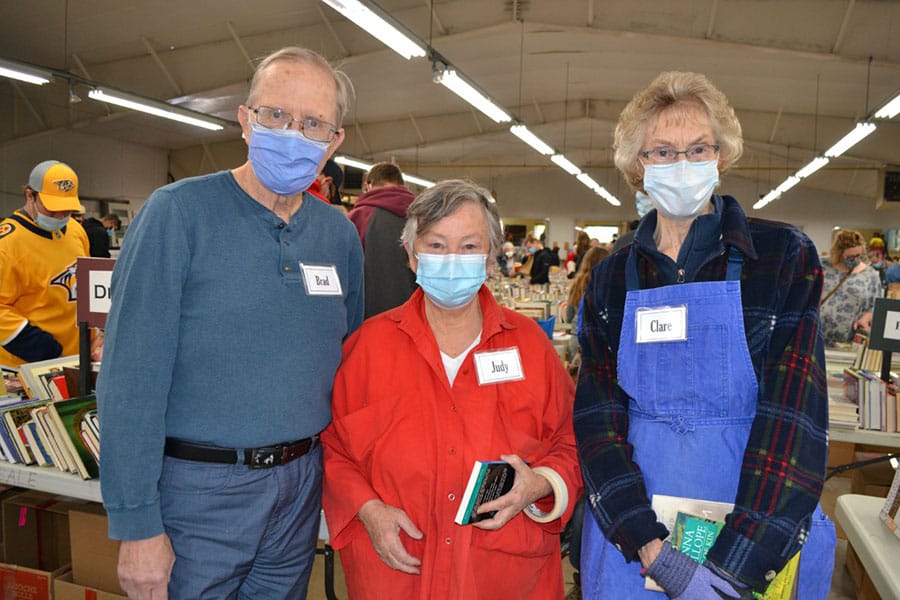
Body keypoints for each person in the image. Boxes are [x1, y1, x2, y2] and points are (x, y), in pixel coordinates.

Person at [96, 46, 364, 599]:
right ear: (245, 120)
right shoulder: (177, 214)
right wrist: (138, 523)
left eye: (313, 123)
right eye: (275, 116)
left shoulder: (339, 235)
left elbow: (351, 364)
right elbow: (130, 378)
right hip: (198, 492)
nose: (293, 133)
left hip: (299, 484)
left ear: (334, 142)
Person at [574, 71, 835, 599]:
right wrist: (648, 544)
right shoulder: (612, 275)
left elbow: (795, 419)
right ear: (638, 168)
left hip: (757, 528)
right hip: (635, 530)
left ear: (721, 157)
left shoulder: (781, 256)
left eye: (698, 149)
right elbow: (597, 419)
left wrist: (732, 567)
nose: (683, 165)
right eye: (663, 152)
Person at [321, 179, 582, 599]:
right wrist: (368, 509)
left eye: (468, 246)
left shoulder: (531, 347)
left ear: (492, 257)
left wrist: (539, 484)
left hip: (504, 576)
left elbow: (571, 441)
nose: (451, 259)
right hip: (397, 575)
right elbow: (333, 447)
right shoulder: (367, 349)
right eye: (437, 245)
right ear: (411, 253)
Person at [0, 160, 89, 369]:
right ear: (30, 195)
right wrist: (39, 347)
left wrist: (95, 333)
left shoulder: (76, 231)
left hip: (76, 360)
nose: (60, 216)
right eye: (51, 209)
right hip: (25, 364)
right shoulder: (7, 243)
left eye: (67, 210)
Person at [347, 161, 417, 318]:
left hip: (369, 314)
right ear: (402, 184)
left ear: (368, 185)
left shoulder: (358, 217)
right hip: (415, 312)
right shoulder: (421, 216)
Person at [819, 229, 882, 346]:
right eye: (850, 257)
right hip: (814, 335)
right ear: (838, 253)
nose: (855, 260)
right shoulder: (822, 266)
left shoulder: (870, 275)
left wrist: (865, 319)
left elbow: (875, 306)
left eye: (858, 255)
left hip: (846, 340)